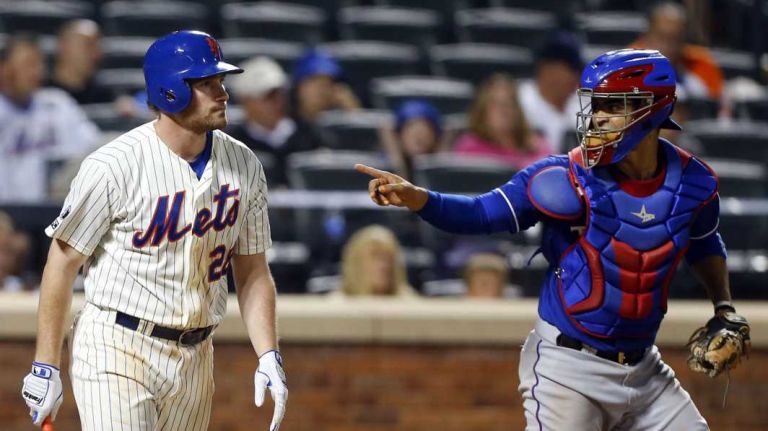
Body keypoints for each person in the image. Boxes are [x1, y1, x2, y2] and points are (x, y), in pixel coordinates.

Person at [356, 49, 750, 429]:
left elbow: (704, 243)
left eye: (614, 106)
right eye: (596, 105)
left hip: (644, 368)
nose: (598, 117)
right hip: (570, 368)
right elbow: (482, 212)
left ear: (655, 107)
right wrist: (421, 198)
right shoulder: (563, 177)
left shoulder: (693, 182)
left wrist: (724, 306)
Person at [21, 31, 287, 431]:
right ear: (169, 91)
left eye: (221, 82)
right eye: (207, 84)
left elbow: (252, 271)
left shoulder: (245, 164)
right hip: (118, 345)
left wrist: (269, 353)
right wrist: (45, 364)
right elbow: (62, 262)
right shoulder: (113, 165)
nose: (222, 93)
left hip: (197, 354)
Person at [0, 34, 100, 203]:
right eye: (29, 64)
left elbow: (94, 148)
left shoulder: (58, 104)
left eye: (40, 64)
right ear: (4, 69)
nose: (38, 71)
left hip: (50, 214)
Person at [227, 56, 330, 188]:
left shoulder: (308, 135)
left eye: (279, 94)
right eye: (267, 96)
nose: (277, 102)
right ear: (246, 101)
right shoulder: (233, 143)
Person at [453, 73, 551, 169]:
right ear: (482, 111)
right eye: (496, 104)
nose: (504, 110)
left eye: (509, 103)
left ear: (518, 110)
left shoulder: (538, 146)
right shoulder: (469, 147)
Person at [631, 1, 724, 100]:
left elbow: (719, 108)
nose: (668, 45)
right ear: (647, 35)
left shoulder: (703, 65)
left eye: (675, 38)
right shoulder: (627, 65)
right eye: (661, 36)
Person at [518, 32, 583, 153]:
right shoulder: (520, 101)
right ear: (546, 70)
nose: (576, 77)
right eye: (570, 70)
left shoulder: (582, 104)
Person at [336, 225, 415, 297]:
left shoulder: (412, 306)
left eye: (388, 258)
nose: (384, 266)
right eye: (375, 257)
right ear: (356, 264)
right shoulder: (333, 307)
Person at [48, 19, 114, 104]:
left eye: (98, 47)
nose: (97, 55)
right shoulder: (37, 95)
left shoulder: (106, 96)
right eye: (88, 45)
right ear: (64, 47)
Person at [290, 48, 360, 125]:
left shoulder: (333, 124)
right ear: (299, 86)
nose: (322, 90)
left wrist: (353, 112)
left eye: (327, 83)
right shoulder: (284, 125)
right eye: (315, 81)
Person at [381, 99, 444, 181]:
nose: (419, 138)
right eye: (411, 131)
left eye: (425, 132)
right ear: (398, 135)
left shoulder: (447, 165)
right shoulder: (383, 165)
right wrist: (398, 164)